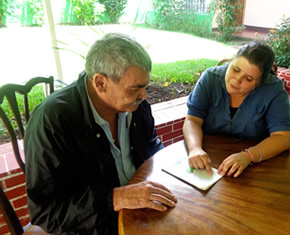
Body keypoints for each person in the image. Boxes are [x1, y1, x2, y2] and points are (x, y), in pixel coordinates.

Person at [25, 33, 177, 235]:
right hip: (92, 225)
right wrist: (117, 198)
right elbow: (48, 212)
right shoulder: (53, 121)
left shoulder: (135, 106)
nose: (144, 96)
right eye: (136, 88)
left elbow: (152, 147)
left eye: (145, 86)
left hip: (143, 211)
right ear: (100, 83)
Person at [183, 40, 290, 178]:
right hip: (208, 161)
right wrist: (195, 148)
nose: (236, 80)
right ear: (231, 61)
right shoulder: (210, 78)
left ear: (260, 82)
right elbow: (192, 120)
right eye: (235, 69)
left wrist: (248, 156)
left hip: (255, 168)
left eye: (248, 79)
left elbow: (283, 137)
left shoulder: (274, 90)